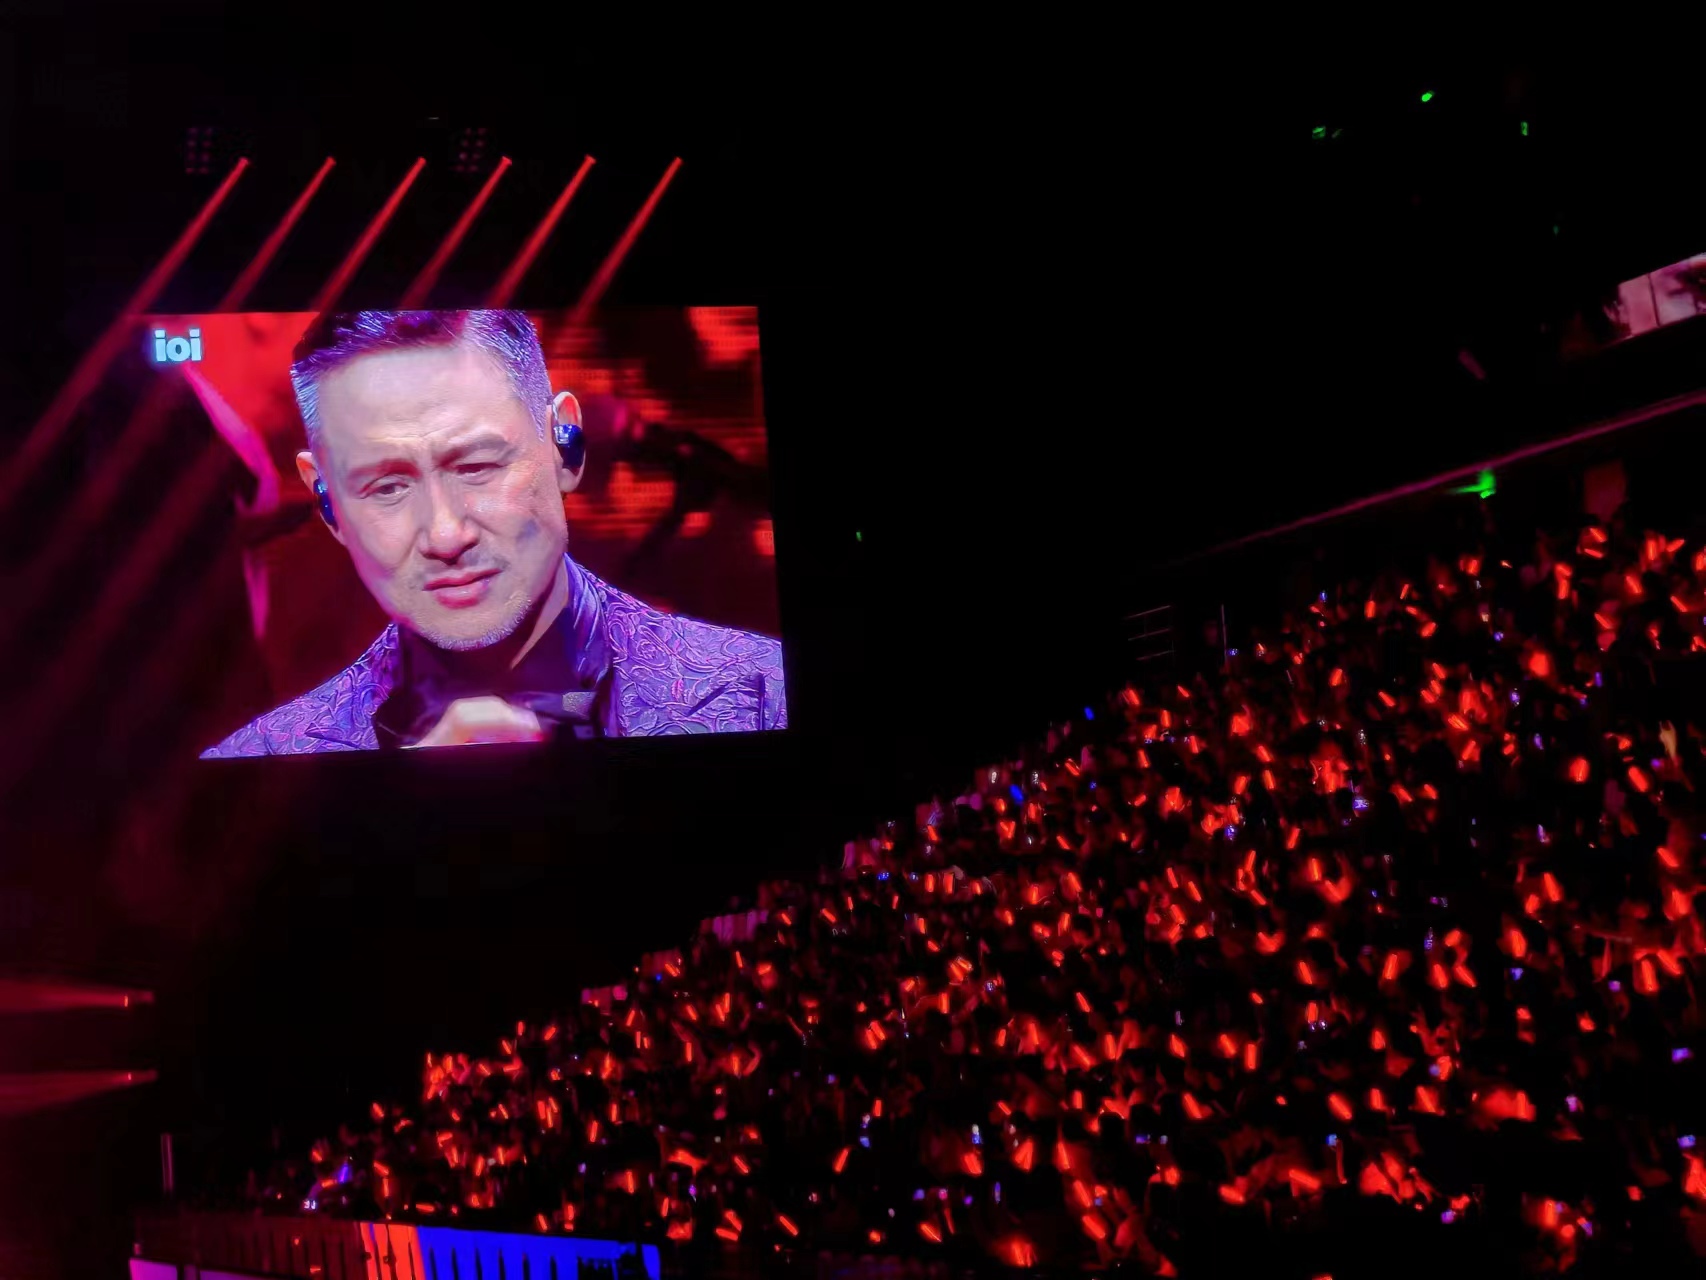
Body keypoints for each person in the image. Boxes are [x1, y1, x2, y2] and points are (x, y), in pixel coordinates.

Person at [203, 310, 785, 756]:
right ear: (326, 500)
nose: (446, 534)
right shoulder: (264, 763)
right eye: (387, 487)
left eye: (477, 467)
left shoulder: (763, 695)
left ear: (565, 446)